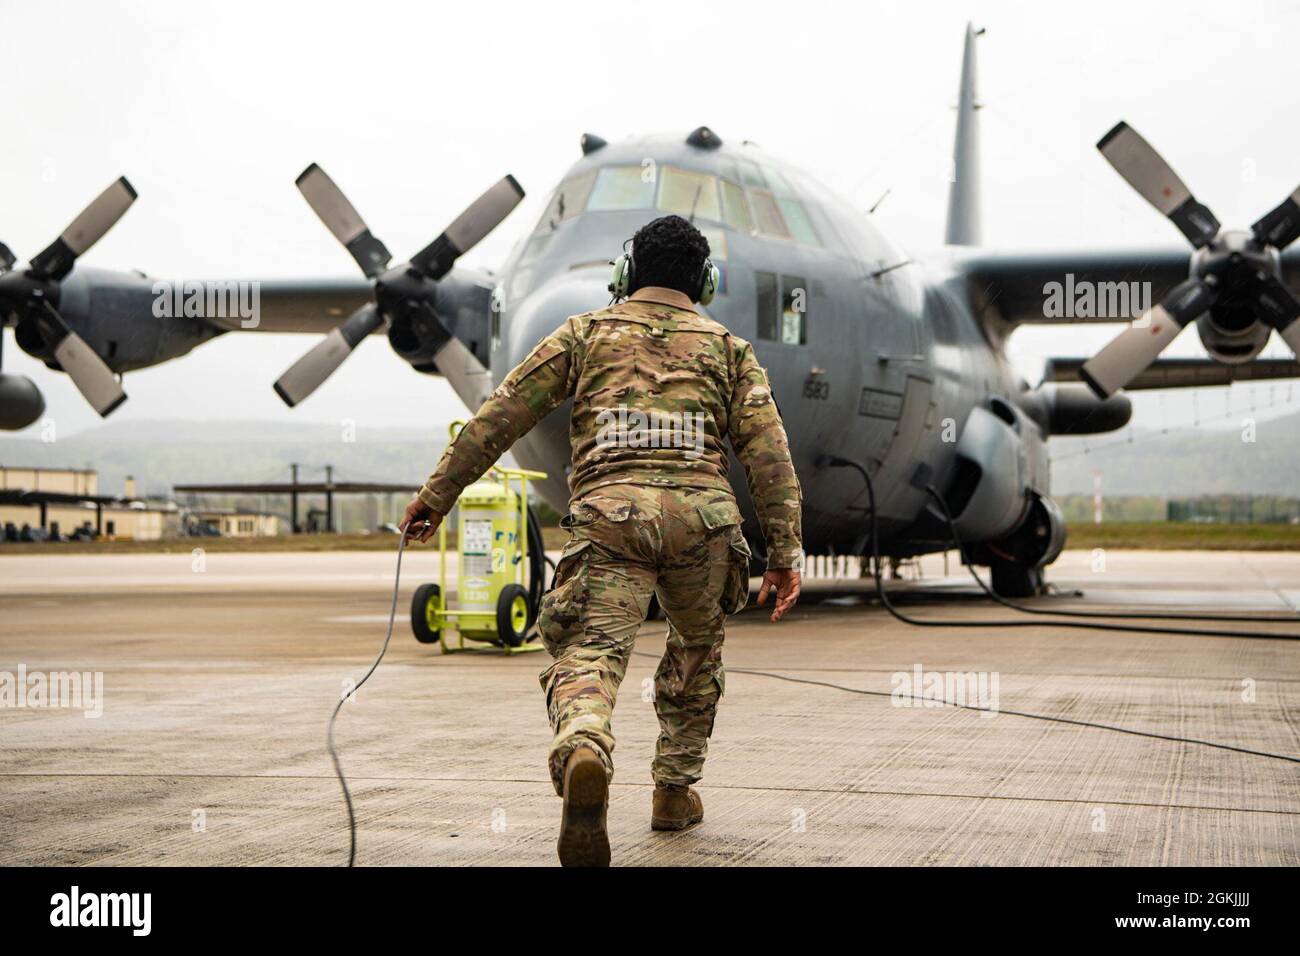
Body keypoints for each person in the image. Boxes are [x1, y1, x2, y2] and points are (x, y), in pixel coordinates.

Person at [402, 214, 802, 866]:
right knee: (696, 654)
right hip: (703, 525)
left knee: (589, 652)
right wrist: (785, 551)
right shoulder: (730, 349)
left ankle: (586, 744)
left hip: (611, 516)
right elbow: (769, 454)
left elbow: (501, 414)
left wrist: (437, 496)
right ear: (704, 280)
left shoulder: (585, 334)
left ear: (625, 273)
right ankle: (674, 793)